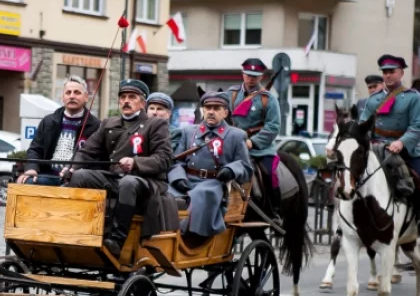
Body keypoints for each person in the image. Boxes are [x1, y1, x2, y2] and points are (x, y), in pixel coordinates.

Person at [63, 79, 173, 257]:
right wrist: (72, 168)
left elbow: (164, 159)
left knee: (128, 183)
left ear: (142, 103)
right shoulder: (109, 123)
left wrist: (136, 163)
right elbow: (87, 151)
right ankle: (77, 230)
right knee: (81, 176)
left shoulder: (156, 125)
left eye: (132, 97)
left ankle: (116, 240)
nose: (126, 101)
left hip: (146, 182)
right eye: (123, 97)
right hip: (114, 178)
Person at [358, 54, 420, 236]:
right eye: (385, 72)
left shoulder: (413, 97)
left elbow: (418, 126)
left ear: (401, 73)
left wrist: (402, 143)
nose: (388, 75)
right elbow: (363, 126)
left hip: (405, 150)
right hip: (376, 149)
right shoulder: (373, 100)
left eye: (392, 72)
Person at [169, 91, 252, 239]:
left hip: (214, 183)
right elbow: (177, 161)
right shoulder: (189, 132)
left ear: (225, 112)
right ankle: (164, 235)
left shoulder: (236, 135)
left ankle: (192, 236)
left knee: (201, 195)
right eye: (208, 108)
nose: (211, 112)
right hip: (187, 180)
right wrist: (178, 177)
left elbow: (245, 166)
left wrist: (230, 169)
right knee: (163, 193)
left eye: (216, 108)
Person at [19, 75, 101, 185]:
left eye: (77, 92)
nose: (72, 96)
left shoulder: (96, 126)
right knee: (28, 182)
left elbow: (97, 159)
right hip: (46, 176)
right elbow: (35, 149)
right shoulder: (48, 121)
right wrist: (32, 169)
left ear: (86, 97)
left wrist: (75, 171)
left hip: (76, 180)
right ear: (63, 97)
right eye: (68, 93)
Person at [227, 58, 281, 215]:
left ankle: (274, 210)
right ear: (242, 74)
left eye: (254, 75)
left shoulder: (268, 99)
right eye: (248, 74)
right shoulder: (230, 94)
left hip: (259, 149)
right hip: (232, 146)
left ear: (261, 76)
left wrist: (252, 142)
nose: (251, 78)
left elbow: (273, 126)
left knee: (270, 174)